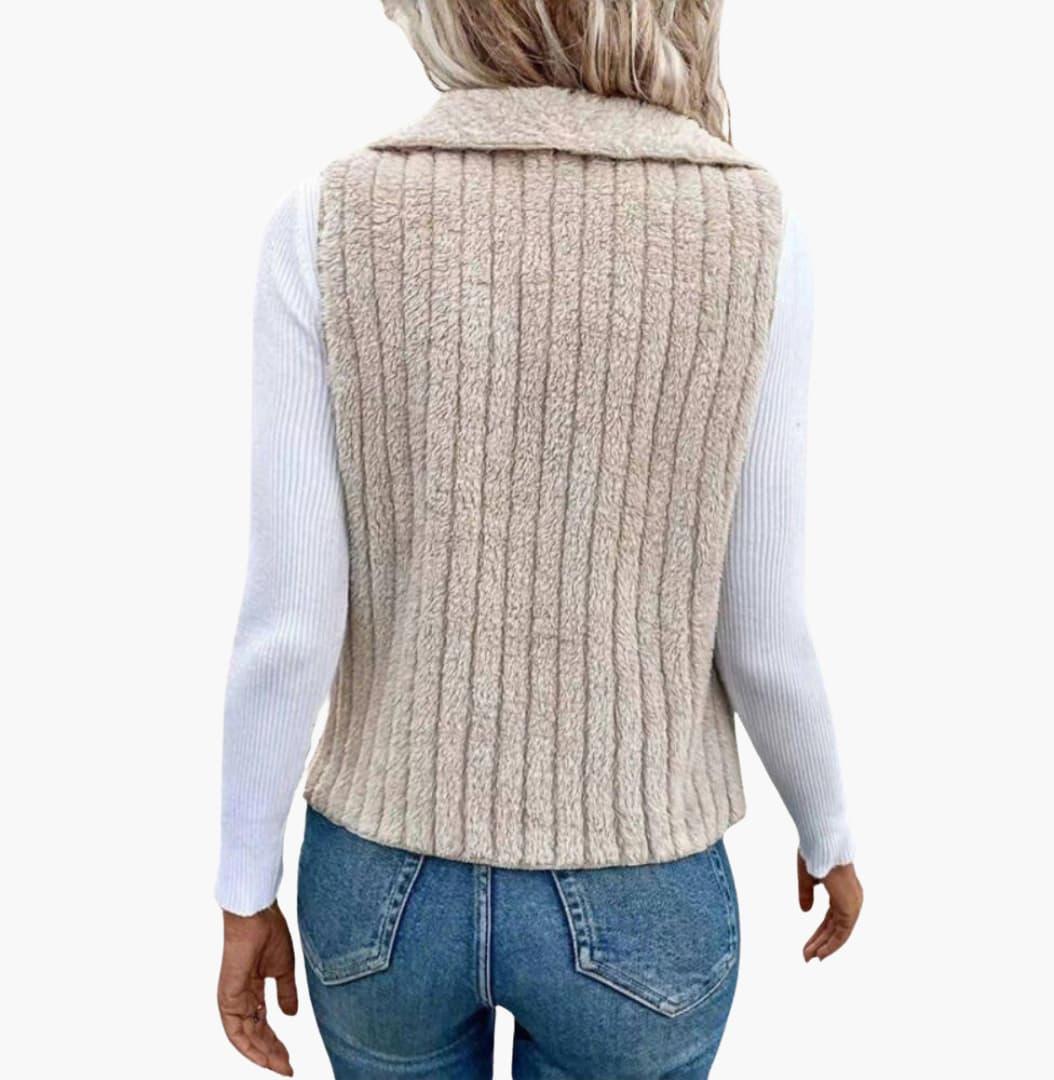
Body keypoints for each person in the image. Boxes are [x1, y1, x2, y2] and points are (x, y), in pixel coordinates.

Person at [215, 3, 863, 1077]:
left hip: (380, 889)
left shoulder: (329, 218)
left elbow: (291, 623)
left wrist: (244, 887)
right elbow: (761, 628)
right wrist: (827, 827)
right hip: (640, 879)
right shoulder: (756, 230)